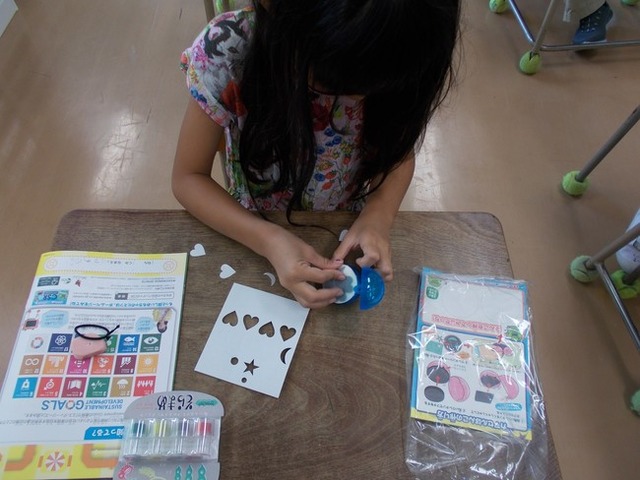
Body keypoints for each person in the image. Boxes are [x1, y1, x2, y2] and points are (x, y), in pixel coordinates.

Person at [173, 0, 460, 308]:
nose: (353, 97)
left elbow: (397, 153)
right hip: (249, 221)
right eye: (333, 81)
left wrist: (379, 213)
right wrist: (268, 239)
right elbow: (188, 179)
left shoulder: (404, 51)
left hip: (345, 222)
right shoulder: (227, 51)